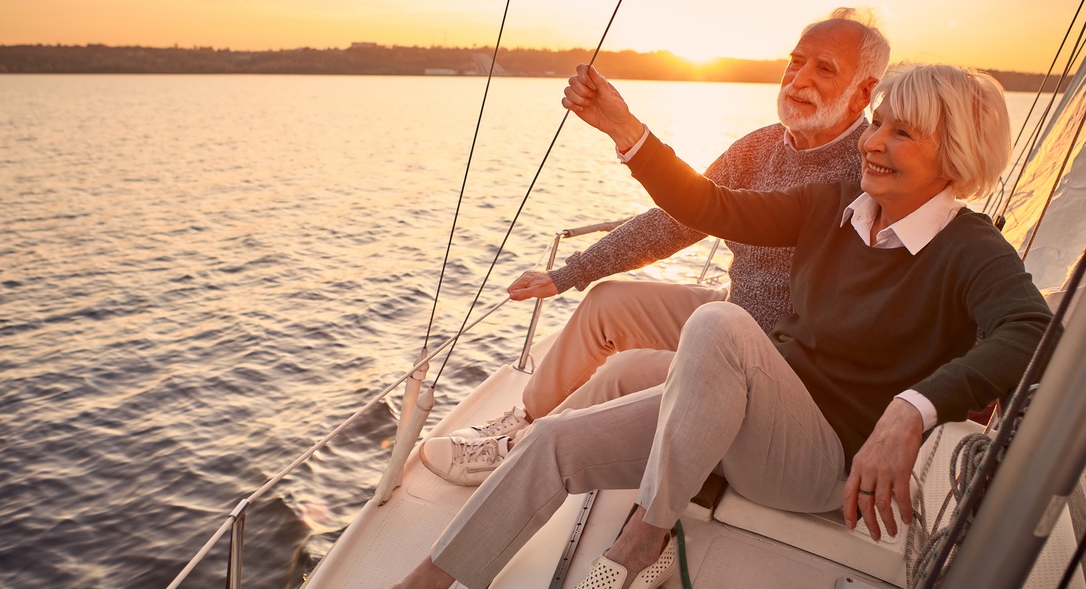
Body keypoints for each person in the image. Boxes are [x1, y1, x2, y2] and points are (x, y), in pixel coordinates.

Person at [391, 62, 1053, 589]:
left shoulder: (971, 250)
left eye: (902, 133)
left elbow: (1031, 333)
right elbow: (709, 205)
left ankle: (646, 535)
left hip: (822, 467)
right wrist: (628, 132)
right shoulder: (834, 205)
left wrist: (914, 408)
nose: (874, 142)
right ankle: (428, 580)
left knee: (719, 322)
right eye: (878, 124)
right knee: (554, 442)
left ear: (956, 153)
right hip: (748, 422)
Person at [419, 8, 891, 486]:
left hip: (778, 363)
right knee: (607, 303)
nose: (799, 79)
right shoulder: (760, 147)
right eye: (795, 61)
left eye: (825, 68)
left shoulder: (875, 172)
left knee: (626, 370)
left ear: (864, 92)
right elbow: (676, 221)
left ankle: (525, 457)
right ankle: (528, 418)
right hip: (733, 311)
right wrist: (569, 274)